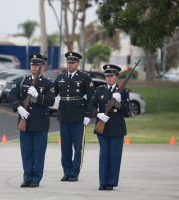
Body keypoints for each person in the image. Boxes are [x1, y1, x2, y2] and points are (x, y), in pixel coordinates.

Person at [7, 54, 55, 188]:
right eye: (33, 65)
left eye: (37, 65)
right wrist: (18, 107)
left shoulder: (47, 82)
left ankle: (36, 179)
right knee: (26, 152)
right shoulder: (23, 80)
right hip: (25, 122)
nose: (34, 67)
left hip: (40, 123)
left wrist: (38, 96)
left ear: (42, 67)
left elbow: (51, 101)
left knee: (38, 153)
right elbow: (11, 95)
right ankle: (27, 177)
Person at [53, 51, 94, 182]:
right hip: (64, 115)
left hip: (78, 116)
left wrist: (88, 114)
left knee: (78, 146)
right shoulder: (60, 78)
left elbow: (92, 98)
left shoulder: (84, 77)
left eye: (72, 63)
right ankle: (67, 171)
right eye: (68, 62)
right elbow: (52, 93)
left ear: (77, 64)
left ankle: (75, 172)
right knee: (65, 146)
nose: (70, 65)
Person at [88, 64, 130, 191]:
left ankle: (111, 182)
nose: (109, 78)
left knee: (115, 156)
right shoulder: (100, 89)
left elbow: (127, 111)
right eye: (107, 76)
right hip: (103, 128)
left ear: (117, 77)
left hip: (117, 128)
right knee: (104, 156)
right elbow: (92, 105)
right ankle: (103, 182)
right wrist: (97, 114)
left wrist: (117, 102)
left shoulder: (124, 91)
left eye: (111, 76)